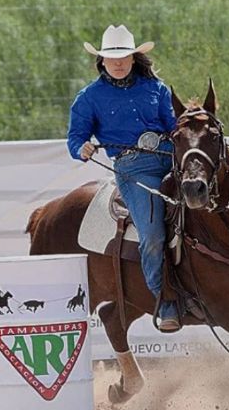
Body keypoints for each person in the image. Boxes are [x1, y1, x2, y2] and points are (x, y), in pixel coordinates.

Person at [66, 24, 180, 332]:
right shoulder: (89, 97)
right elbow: (75, 137)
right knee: (153, 235)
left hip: (173, 159)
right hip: (134, 169)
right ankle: (165, 301)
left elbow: (175, 125)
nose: (117, 63)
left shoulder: (158, 89)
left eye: (123, 57)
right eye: (111, 58)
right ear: (101, 60)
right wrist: (82, 148)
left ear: (133, 58)